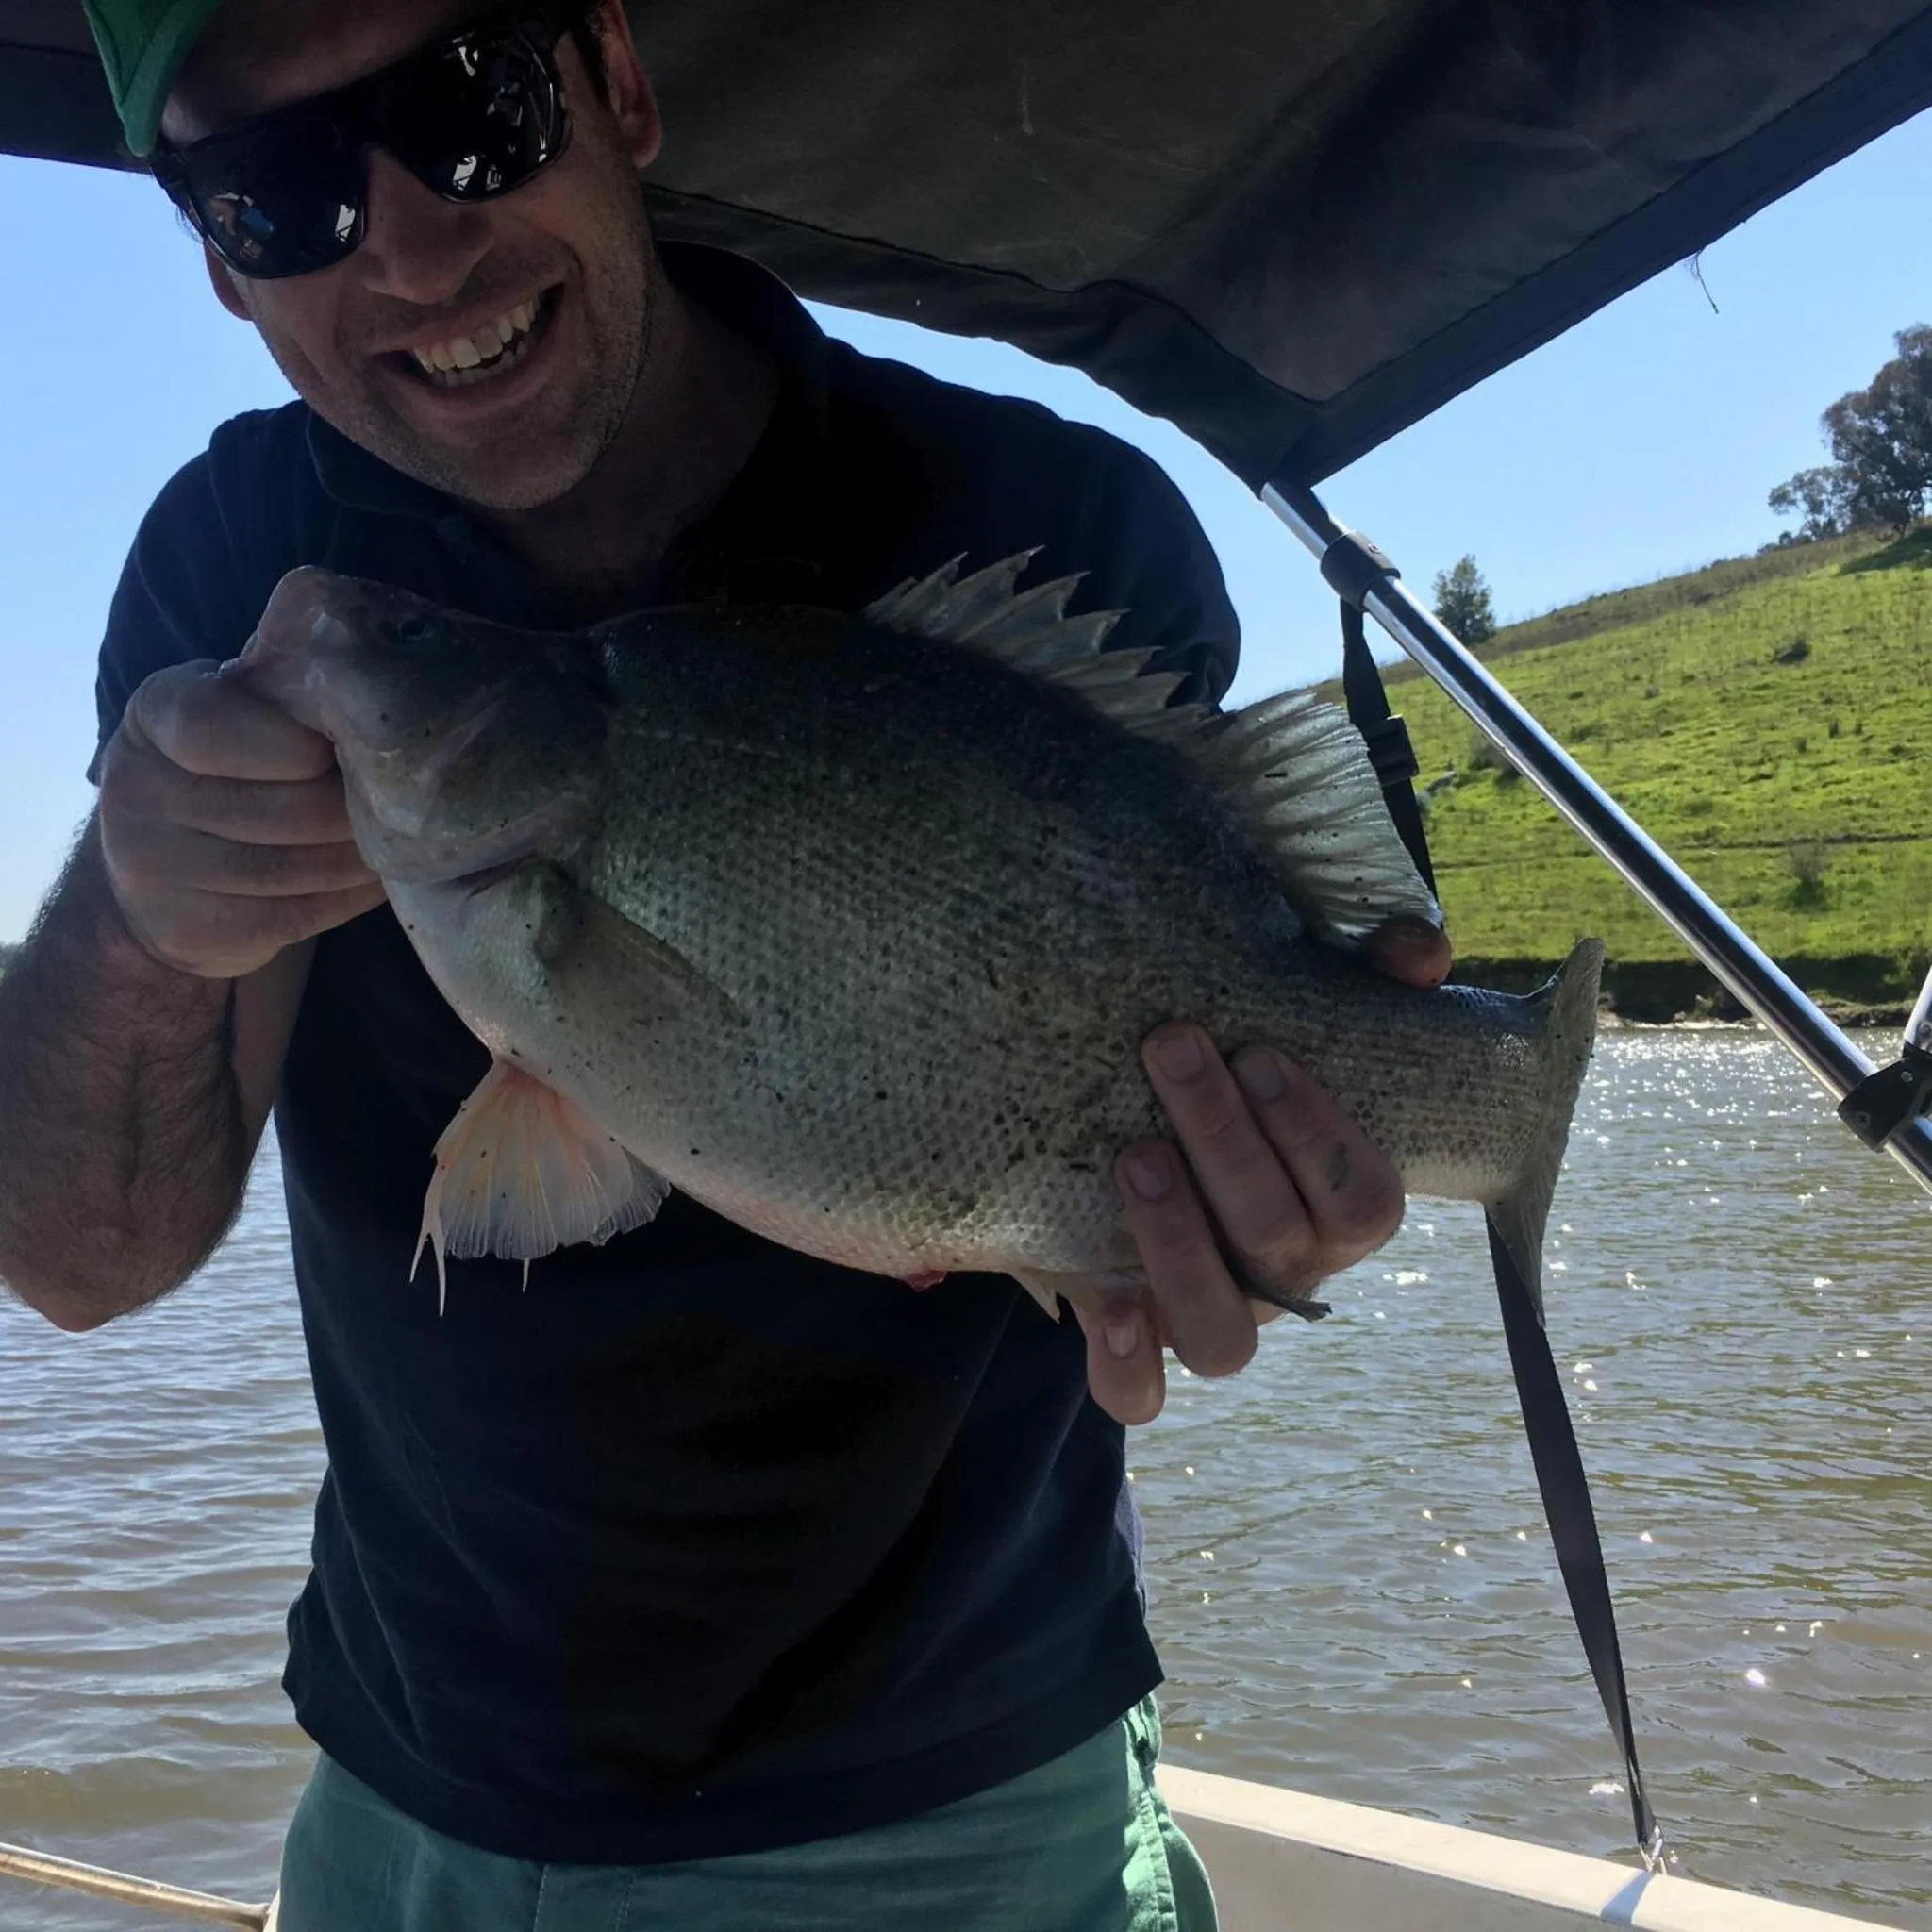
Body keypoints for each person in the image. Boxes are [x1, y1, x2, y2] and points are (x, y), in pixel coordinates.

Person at [0, 2, 1451, 1925]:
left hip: (962, 1818)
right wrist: (136, 911)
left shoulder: (1053, 524)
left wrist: (1244, 1221)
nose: (412, 250)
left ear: (616, 80)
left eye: (471, 103)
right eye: (279, 190)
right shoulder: (235, 563)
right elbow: (81, 1259)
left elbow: (1195, 1065)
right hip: (406, 1810)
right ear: (216, 259)